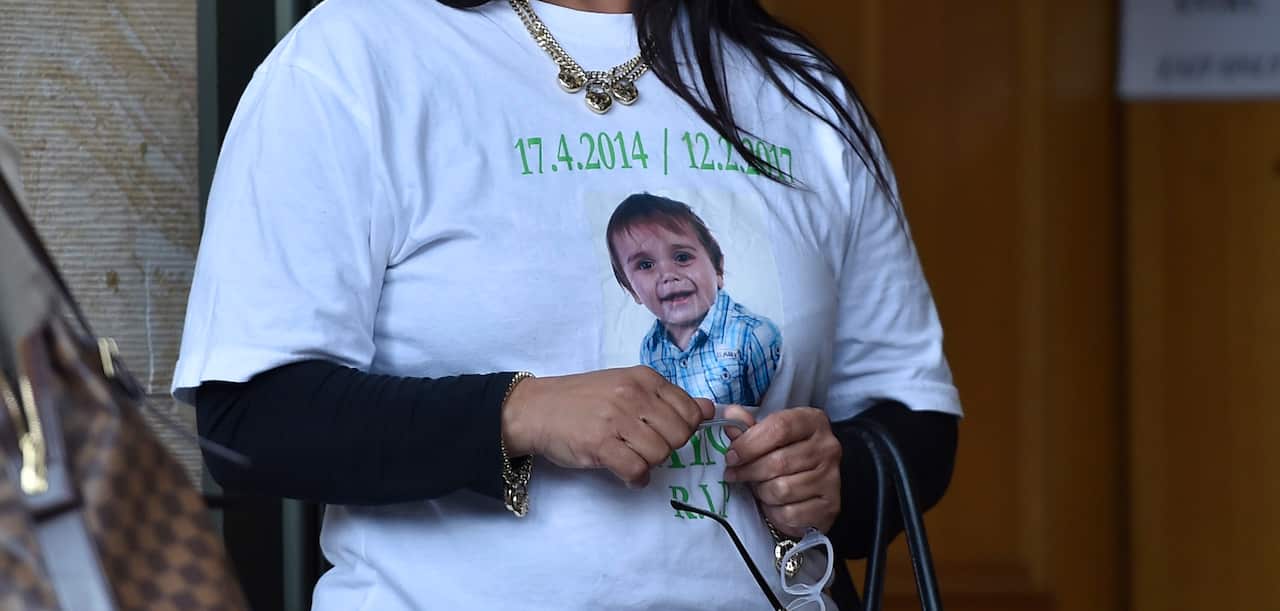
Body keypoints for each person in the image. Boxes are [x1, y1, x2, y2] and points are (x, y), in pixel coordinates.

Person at [173, 0, 962, 609]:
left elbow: (917, 422)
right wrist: (521, 412)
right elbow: (250, 421)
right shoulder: (354, 55)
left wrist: (837, 475)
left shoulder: (800, 88)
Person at [607, 192, 782, 406]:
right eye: (645, 265)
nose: (668, 275)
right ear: (632, 290)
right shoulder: (651, 348)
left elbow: (778, 417)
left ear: (717, 269)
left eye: (682, 257)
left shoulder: (754, 336)